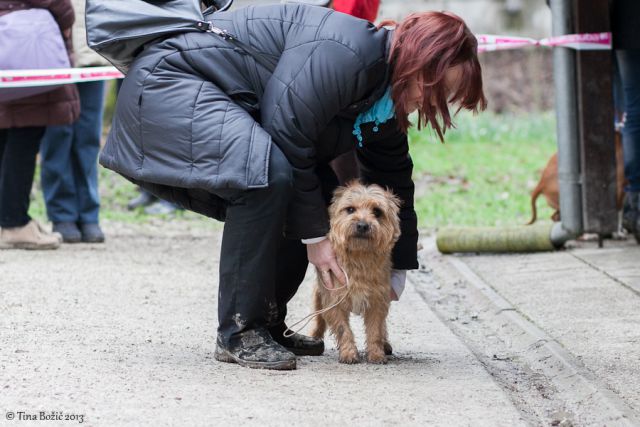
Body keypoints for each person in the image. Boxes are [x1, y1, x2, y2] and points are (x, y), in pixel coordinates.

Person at [99, 4, 486, 370]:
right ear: (418, 61)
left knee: (310, 191)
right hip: (171, 86)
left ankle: (267, 323)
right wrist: (317, 238)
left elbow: (395, 176)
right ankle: (239, 332)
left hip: (207, 93)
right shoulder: (348, 54)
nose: (426, 102)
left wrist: (398, 265)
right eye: (432, 89)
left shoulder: (382, 96)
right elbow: (286, 133)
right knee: (267, 174)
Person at [0, 0, 79, 250]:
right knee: (25, 133)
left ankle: (8, 220)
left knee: (5, 132)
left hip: (9, 43)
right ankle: (14, 223)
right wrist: (66, 18)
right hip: (24, 46)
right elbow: (57, 4)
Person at [38, 0, 110, 244]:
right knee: (57, 135)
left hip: (92, 51)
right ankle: (62, 214)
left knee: (88, 136)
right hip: (53, 52)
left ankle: (89, 214)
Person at [612, 0, 640, 243]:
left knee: (627, 113)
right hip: (628, 25)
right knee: (633, 111)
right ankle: (633, 203)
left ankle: (631, 205)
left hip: (615, 26)